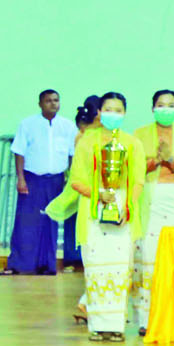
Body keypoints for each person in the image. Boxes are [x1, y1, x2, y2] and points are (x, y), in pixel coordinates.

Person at [67, 92, 145, 342]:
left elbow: (138, 180)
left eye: (118, 110)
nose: (113, 114)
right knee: (96, 269)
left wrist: (127, 207)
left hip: (122, 208)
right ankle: (97, 326)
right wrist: (98, 194)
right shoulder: (86, 142)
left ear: (125, 113)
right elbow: (76, 180)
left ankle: (116, 327)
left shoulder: (133, 143)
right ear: (99, 112)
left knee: (120, 269)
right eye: (108, 109)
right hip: (93, 209)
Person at [131, 89, 174, 333]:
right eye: (161, 104)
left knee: (173, 260)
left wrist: (171, 160)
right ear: (152, 108)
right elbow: (133, 169)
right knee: (147, 260)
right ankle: (145, 320)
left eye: (171, 105)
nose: (165, 109)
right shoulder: (139, 135)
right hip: (148, 201)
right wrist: (156, 161)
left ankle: (171, 319)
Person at [0, 90, 75, 276]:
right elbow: (19, 152)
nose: (53, 104)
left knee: (50, 223)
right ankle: (18, 264)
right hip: (32, 179)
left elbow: (72, 155)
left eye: (56, 100)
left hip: (57, 180)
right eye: (48, 101)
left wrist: (70, 180)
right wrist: (21, 179)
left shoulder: (68, 126)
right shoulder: (27, 124)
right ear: (40, 104)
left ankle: (47, 266)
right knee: (26, 223)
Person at [60, 97, 101, 274]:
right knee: (73, 219)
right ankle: (71, 258)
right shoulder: (82, 135)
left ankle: (89, 257)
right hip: (79, 182)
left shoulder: (104, 133)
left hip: (96, 183)